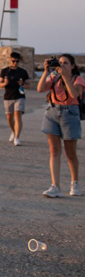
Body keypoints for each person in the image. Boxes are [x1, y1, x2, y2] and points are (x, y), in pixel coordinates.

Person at [36, 54, 83, 198]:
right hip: (52, 112)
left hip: (70, 114)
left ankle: (75, 183)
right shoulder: (54, 77)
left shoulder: (78, 79)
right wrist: (45, 71)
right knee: (54, 150)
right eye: (60, 63)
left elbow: (74, 94)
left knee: (70, 153)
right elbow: (40, 89)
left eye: (66, 63)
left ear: (72, 66)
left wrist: (64, 76)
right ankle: (55, 186)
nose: (62, 65)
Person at [0, 51, 30, 146]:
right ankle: (13, 131)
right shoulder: (4, 71)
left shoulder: (23, 72)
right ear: (10, 60)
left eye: (17, 61)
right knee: (9, 117)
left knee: (18, 115)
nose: (15, 63)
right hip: (8, 96)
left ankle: (17, 137)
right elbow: (0, 84)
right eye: (13, 61)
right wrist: (5, 83)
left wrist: (23, 84)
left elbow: (29, 85)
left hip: (19, 96)